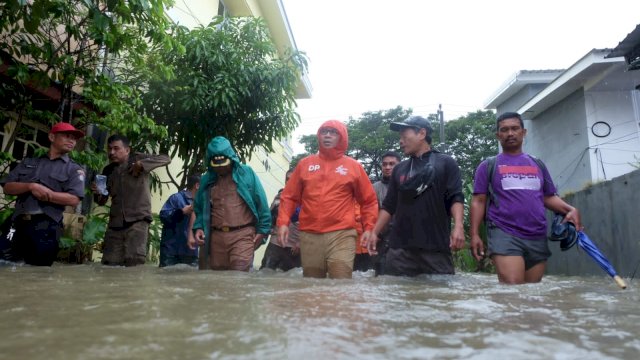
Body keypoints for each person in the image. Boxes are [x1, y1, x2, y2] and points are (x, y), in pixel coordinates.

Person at [469, 112, 582, 284]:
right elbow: (478, 201)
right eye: (504, 130)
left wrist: (570, 209)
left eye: (515, 128)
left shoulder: (537, 164)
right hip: (504, 233)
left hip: (536, 234)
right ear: (498, 135)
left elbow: (547, 197)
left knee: (531, 295)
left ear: (524, 132)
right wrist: (475, 234)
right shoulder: (488, 166)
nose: (510, 133)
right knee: (513, 292)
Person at [363, 116, 465, 276]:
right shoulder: (400, 169)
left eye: (405, 136)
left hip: (435, 248)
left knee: (440, 297)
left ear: (422, 133)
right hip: (399, 251)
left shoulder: (446, 163)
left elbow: (456, 197)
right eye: (400, 138)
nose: (401, 141)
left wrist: (458, 227)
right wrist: (374, 233)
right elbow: (389, 206)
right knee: (397, 294)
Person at [277, 120, 378, 279]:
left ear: (342, 137)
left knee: (340, 282)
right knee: (312, 284)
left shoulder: (353, 166)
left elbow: (369, 201)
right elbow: (289, 196)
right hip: (309, 234)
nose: (328, 135)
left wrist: (369, 228)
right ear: (319, 136)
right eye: (324, 132)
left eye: (333, 132)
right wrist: (283, 223)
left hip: (342, 234)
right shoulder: (305, 164)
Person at [0, 122, 85, 266]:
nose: (72, 141)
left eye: (74, 138)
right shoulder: (29, 162)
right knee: (3, 260)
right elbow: (7, 187)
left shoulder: (73, 169)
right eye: (67, 136)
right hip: (17, 223)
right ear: (52, 137)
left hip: (45, 227)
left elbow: (74, 199)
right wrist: (30, 186)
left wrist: (49, 194)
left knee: (37, 272)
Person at [190, 136, 271, 271]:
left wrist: (263, 230)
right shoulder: (207, 180)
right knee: (218, 281)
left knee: (238, 278)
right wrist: (198, 227)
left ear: (231, 158)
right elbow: (198, 208)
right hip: (216, 237)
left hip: (243, 235)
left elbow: (261, 202)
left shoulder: (247, 173)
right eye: (217, 165)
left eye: (224, 164)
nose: (221, 168)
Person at [92, 134, 171, 266]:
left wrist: (141, 164)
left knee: (134, 264)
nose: (112, 152)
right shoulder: (107, 170)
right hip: (115, 225)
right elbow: (101, 201)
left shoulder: (137, 158)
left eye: (116, 148)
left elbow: (165, 158)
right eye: (109, 149)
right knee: (109, 266)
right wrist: (99, 192)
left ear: (127, 150)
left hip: (138, 221)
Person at [260, 169, 301, 272]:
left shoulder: (307, 199)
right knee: (265, 273)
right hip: (275, 243)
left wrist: (300, 243)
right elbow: (269, 218)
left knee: (292, 280)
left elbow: (312, 224)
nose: (289, 182)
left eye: (293, 179)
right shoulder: (279, 197)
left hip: (294, 247)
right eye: (287, 179)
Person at [158, 174, 200, 267]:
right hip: (171, 251)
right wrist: (181, 212)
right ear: (197, 185)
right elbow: (163, 217)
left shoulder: (202, 203)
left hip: (191, 252)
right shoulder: (176, 198)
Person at [371, 151, 401, 275]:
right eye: (384, 164)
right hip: (382, 239)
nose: (387, 167)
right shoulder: (374, 188)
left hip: (405, 239)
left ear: (400, 166)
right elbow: (369, 212)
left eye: (392, 164)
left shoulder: (409, 185)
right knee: (381, 276)